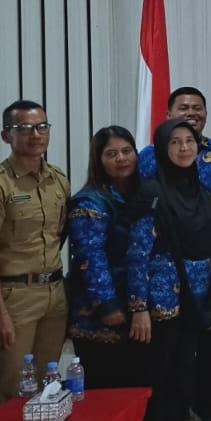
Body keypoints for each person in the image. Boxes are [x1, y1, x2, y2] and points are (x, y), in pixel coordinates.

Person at [138, 87, 211, 421]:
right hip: (166, 273)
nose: (191, 113)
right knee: (168, 353)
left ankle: (204, 407)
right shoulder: (149, 158)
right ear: (168, 115)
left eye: (198, 108)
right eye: (184, 107)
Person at [127, 119, 211, 421]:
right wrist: (139, 306)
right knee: (160, 376)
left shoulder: (201, 191)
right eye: (175, 142)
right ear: (162, 149)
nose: (184, 148)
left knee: (184, 375)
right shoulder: (150, 193)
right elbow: (137, 253)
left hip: (194, 300)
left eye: (190, 141)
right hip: (160, 301)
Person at [0, 100, 70, 412]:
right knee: (10, 384)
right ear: (7, 135)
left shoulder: (58, 179)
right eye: (25, 128)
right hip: (15, 296)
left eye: (42, 126)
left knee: (47, 385)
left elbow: (59, 235)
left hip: (54, 293)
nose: (36, 134)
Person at [66, 126, 149, 389]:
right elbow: (91, 257)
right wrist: (108, 305)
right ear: (98, 160)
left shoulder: (143, 194)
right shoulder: (90, 201)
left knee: (136, 387)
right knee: (106, 391)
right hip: (100, 312)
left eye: (126, 151)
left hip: (135, 303)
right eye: (111, 154)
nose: (121, 158)